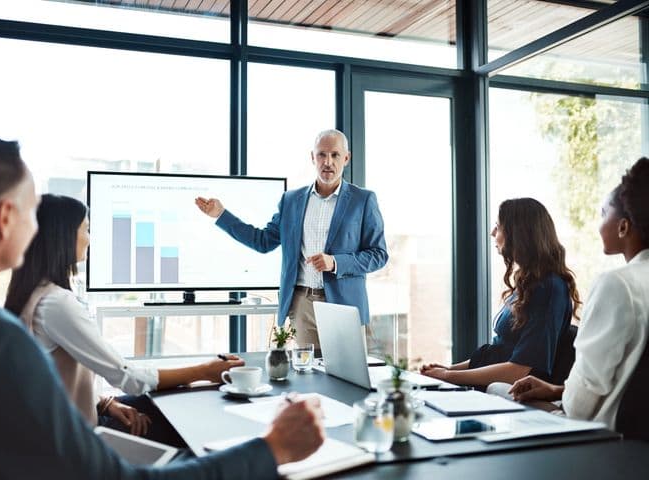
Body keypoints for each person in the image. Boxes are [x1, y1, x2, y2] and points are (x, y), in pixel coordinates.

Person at [0, 133, 324, 479]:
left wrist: (103, 400)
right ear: (4, 219)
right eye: (29, 214)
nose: (34, 228)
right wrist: (274, 448)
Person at [3, 194, 245, 444]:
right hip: (72, 440)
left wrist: (104, 403)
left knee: (175, 403)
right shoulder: (56, 304)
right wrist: (206, 371)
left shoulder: (31, 293)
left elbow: (51, 379)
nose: (89, 238)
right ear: (63, 236)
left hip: (56, 424)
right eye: (86, 229)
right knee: (193, 419)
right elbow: (130, 378)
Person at [195, 129, 388, 350]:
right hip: (302, 304)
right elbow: (263, 241)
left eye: (335, 155)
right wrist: (221, 215)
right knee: (310, 378)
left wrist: (335, 262)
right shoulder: (291, 200)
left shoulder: (363, 200)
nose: (328, 162)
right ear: (312, 158)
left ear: (346, 158)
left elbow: (379, 255)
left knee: (348, 378)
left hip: (344, 305)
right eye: (321, 155)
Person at [508, 158, 649, 430]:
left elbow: (581, 403)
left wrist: (561, 400)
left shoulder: (617, 285)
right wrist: (555, 390)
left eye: (603, 213)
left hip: (600, 438)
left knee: (498, 392)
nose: (598, 224)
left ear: (623, 226)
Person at [421, 198, 581, 387]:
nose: (492, 233)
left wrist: (448, 377)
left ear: (518, 234)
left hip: (515, 396)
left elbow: (518, 371)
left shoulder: (549, 288)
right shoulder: (529, 283)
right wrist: (448, 370)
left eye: (498, 227)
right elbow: (500, 352)